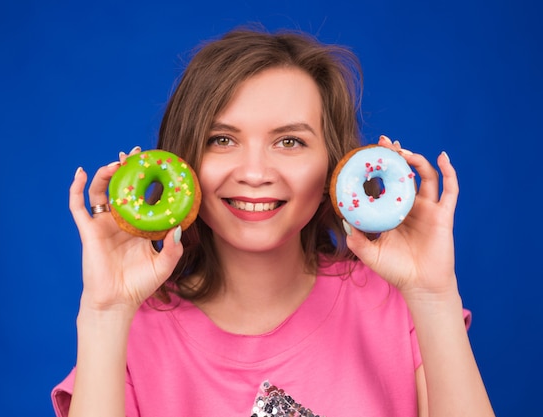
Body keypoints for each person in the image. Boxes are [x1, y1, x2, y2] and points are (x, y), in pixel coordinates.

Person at [52, 27, 495, 416]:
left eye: (289, 141)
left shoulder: (399, 308)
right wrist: (105, 313)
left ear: (333, 170)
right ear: (184, 165)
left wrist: (433, 296)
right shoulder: (130, 334)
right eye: (221, 139)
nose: (255, 172)